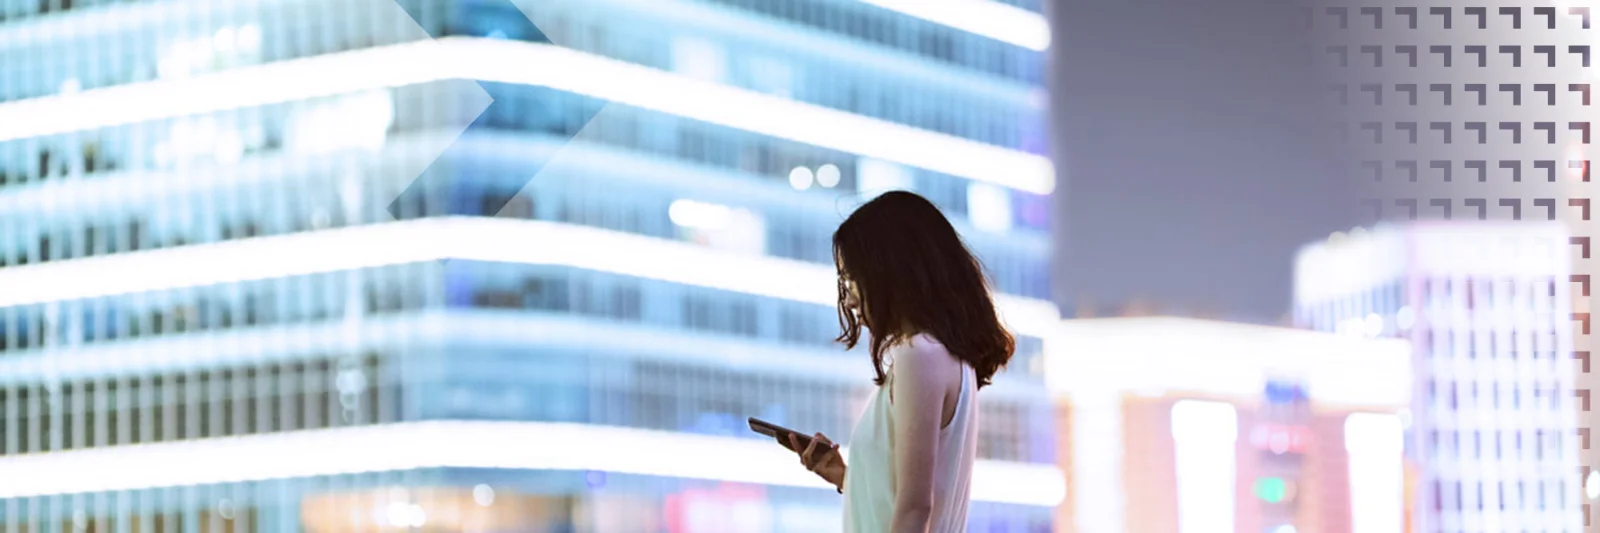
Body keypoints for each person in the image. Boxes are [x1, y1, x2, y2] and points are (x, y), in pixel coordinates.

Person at [785, 191, 1016, 533]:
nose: (847, 299)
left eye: (850, 278)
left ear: (889, 271)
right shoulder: (947, 357)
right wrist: (841, 474)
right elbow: (911, 501)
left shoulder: (920, 355)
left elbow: (915, 508)